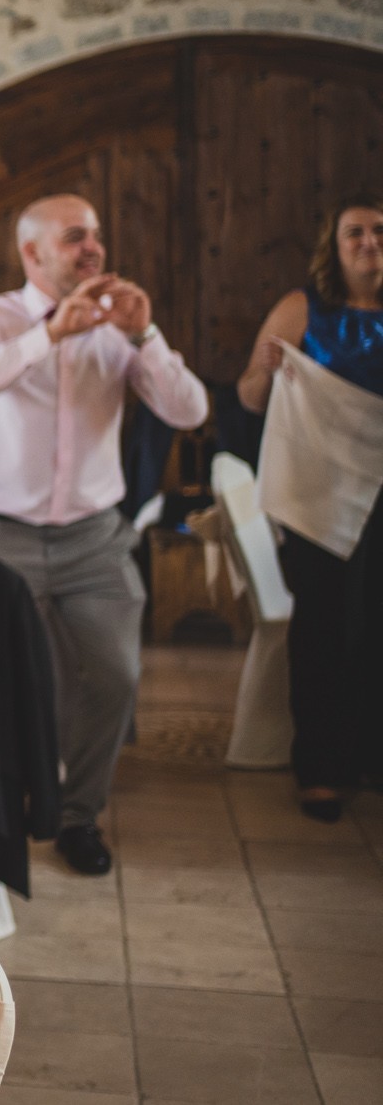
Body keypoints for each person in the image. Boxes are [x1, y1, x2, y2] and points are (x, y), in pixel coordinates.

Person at [0, 194, 209, 876]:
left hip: (96, 538)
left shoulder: (120, 325)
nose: (93, 247)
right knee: (1, 682)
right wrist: (50, 334)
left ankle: (76, 814)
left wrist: (145, 335)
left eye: (95, 235)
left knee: (116, 677)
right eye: (74, 237)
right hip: (2, 537)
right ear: (33, 254)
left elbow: (190, 408)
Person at [236, 198, 383, 822]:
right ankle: (320, 766)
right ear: (335, 243)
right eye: (356, 232)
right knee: (323, 627)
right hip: (319, 494)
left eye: (380, 232)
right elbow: (247, 398)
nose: (370, 242)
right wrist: (268, 373)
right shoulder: (302, 309)